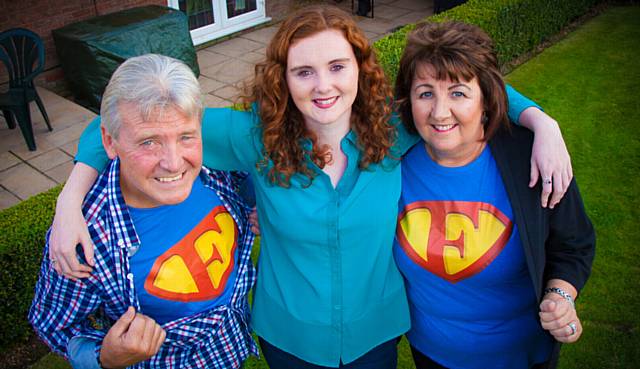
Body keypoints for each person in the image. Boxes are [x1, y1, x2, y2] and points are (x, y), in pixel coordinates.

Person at [48, 6, 572, 369]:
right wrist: (70, 200)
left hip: (377, 335)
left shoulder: (394, 130)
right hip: (289, 338)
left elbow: (470, 83)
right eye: (304, 72)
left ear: (359, 70)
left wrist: (540, 121)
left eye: (337, 66)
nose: (323, 86)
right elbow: (132, 120)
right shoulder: (252, 134)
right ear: (284, 79)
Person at [28, 54, 258, 368]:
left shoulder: (217, 170)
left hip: (231, 348)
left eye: (185, 137)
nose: (174, 162)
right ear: (110, 142)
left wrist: (265, 210)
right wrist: (103, 356)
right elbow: (53, 323)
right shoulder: (85, 237)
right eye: (149, 142)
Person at [392, 21, 595, 369]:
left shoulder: (532, 158)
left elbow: (573, 244)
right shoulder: (390, 164)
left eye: (458, 93)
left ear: (486, 99)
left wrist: (560, 295)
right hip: (430, 354)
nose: (439, 112)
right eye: (425, 93)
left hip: (521, 357)